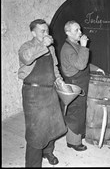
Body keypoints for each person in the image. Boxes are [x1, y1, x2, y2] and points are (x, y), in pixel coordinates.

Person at [18, 19, 67, 167]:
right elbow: (26, 58)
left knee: (51, 126)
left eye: (47, 31)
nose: (46, 34)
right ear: (33, 33)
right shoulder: (26, 46)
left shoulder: (51, 48)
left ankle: (48, 152)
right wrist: (42, 45)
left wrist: (59, 80)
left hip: (50, 91)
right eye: (42, 31)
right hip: (33, 94)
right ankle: (33, 164)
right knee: (35, 131)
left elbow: (54, 67)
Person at [60, 20, 104, 151]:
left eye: (80, 29)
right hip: (74, 84)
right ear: (68, 32)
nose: (80, 32)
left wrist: (96, 69)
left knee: (80, 112)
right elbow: (80, 65)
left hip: (80, 82)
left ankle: (76, 136)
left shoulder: (74, 44)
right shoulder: (68, 48)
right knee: (75, 113)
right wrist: (84, 46)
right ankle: (73, 142)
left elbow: (83, 62)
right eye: (76, 30)